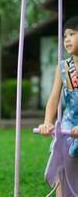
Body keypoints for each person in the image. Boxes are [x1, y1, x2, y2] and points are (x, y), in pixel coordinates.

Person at [38, 16, 78, 196]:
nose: (67, 39)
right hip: (70, 121)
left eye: (73, 34)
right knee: (60, 154)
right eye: (65, 35)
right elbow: (54, 98)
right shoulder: (64, 68)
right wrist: (47, 122)